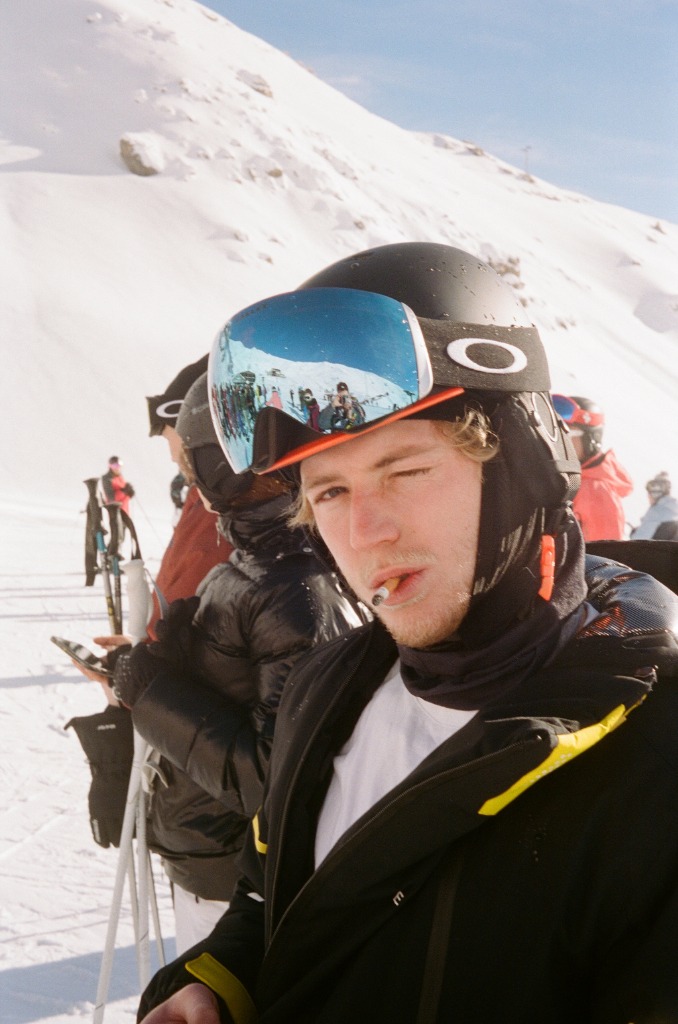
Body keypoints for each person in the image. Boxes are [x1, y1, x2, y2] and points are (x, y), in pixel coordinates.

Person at [137, 243, 678, 1024]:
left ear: (522, 465)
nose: (365, 533)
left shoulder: (652, 771)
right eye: (329, 491)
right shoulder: (329, 688)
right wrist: (219, 983)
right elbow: (275, 890)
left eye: (405, 471)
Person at [109, 372, 369, 952]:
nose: (191, 484)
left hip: (242, 882)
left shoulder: (297, 587)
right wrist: (176, 661)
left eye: (193, 467)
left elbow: (280, 780)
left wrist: (152, 694)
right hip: (209, 853)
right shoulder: (256, 564)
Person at [551, 394, 633, 541]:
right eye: (554, 431)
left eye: (567, 433)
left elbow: (605, 550)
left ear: (590, 440)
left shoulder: (596, 490)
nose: (558, 441)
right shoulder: (567, 475)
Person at [630, 471, 678, 540]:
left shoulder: (656, 511)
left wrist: (634, 533)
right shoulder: (674, 510)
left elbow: (639, 540)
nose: (648, 496)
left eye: (651, 492)